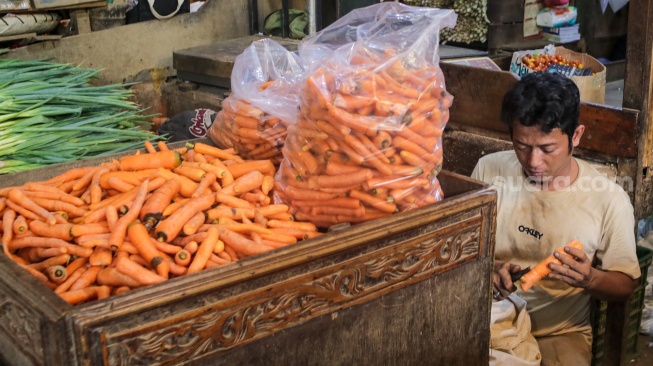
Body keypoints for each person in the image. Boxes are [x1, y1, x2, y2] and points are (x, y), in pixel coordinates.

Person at [471, 72, 641, 365]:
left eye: (547, 149)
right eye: (522, 146)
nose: (533, 162)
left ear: (576, 135)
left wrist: (591, 278)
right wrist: (490, 268)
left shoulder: (608, 198)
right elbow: (463, 249)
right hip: (486, 318)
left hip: (558, 333)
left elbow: (626, 285)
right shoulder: (489, 171)